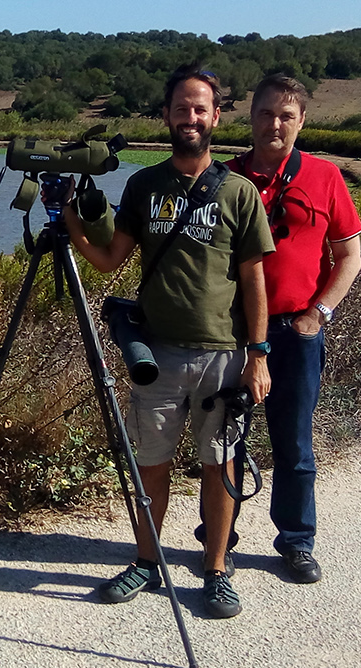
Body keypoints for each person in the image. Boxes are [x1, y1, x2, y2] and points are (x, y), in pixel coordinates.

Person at [59, 64, 274, 619]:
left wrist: (259, 354)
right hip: (155, 355)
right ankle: (147, 562)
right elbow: (111, 261)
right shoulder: (143, 186)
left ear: (216, 116)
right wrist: (72, 225)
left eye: (200, 108)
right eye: (181, 108)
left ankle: (216, 570)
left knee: (219, 467)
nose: (191, 118)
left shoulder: (239, 192)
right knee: (149, 466)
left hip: (223, 357)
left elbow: (253, 278)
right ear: (167, 116)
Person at [217, 73, 361, 583]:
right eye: (265, 113)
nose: (274, 124)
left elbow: (349, 256)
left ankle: (297, 541)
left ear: (301, 121)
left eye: (286, 115)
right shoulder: (224, 178)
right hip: (232, 334)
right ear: (250, 116)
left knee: (294, 444)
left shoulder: (325, 177)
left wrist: (317, 314)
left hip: (297, 332)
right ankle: (219, 540)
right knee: (226, 441)